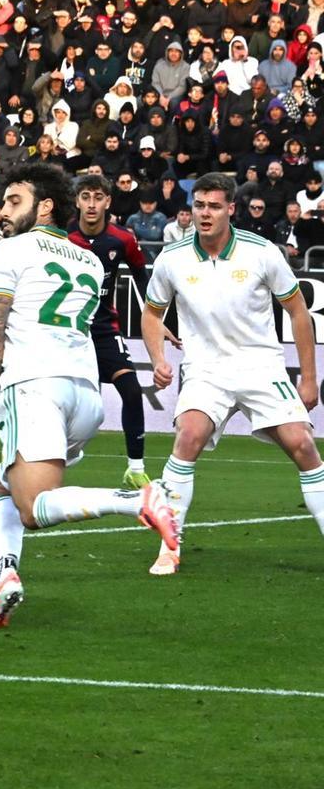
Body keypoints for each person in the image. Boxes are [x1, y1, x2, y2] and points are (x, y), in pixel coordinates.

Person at [0, 163, 178, 629]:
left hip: (36, 387)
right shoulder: (88, 259)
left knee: (34, 507)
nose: (2, 210)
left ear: (44, 206)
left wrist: (8, 384)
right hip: (84, 395)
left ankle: (137, 500)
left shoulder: (11, 250)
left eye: (14, 201)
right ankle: (5, 576)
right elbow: (38, 296)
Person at [141, 172, 323, 577]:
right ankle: (169, 546)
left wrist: (309, 378)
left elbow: (298, 311)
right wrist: (157, 359)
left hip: (261, 365)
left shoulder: (262, 252)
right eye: (198, 206)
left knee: (303, 445)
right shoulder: (172, 258)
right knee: (188, 436)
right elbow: (151, 314)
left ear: (231, 209)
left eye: (214, 206)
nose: (204, 214)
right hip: (205, 369)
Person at [66, 174, 159, 489]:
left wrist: (158, 319)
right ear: (77, 201)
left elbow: (142, 279)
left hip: (104, 328)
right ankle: (55, 456)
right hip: (68, 330)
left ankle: (135, 469)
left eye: (98, 197)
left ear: (108, 201)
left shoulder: (122, 239)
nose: (92, 204)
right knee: (65, 398)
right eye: (86, 197)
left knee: (131, 391)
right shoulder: (62, 236)